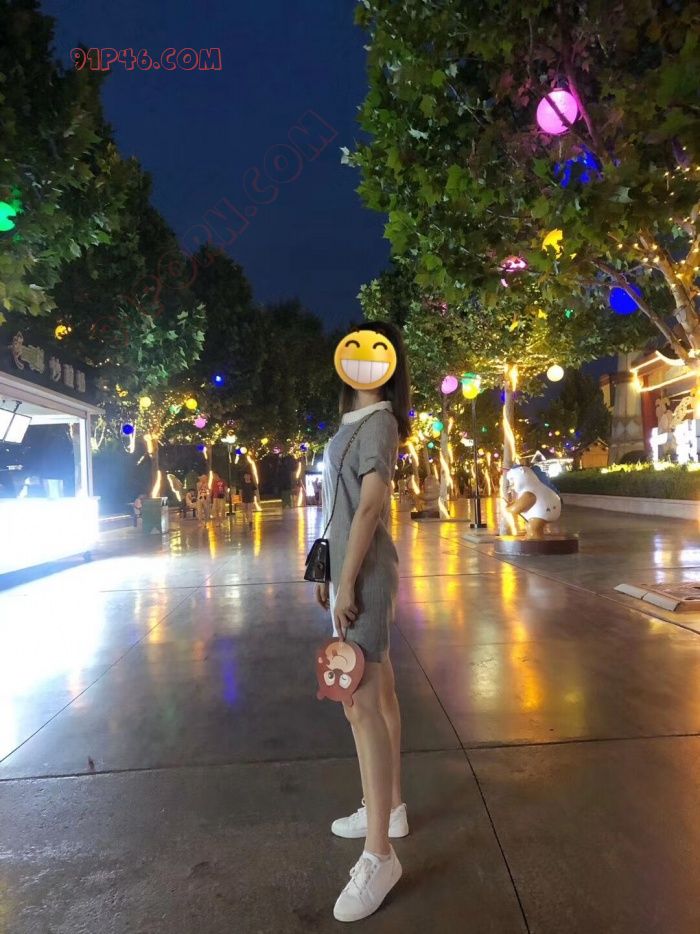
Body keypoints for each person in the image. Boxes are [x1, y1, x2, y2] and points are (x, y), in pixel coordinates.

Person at [316, 320, 411, 923]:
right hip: (353, 571)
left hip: (366, 574)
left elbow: (371, 505)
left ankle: (380, 854)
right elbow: (340, 506)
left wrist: (347, 580)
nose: (365, 359)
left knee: (361, 704)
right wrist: (329, 572)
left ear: (391, 364)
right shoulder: (352, 423)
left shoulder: (378, 423)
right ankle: (389, 809)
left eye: (377, 350)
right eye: (356, 348)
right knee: (381, 693)